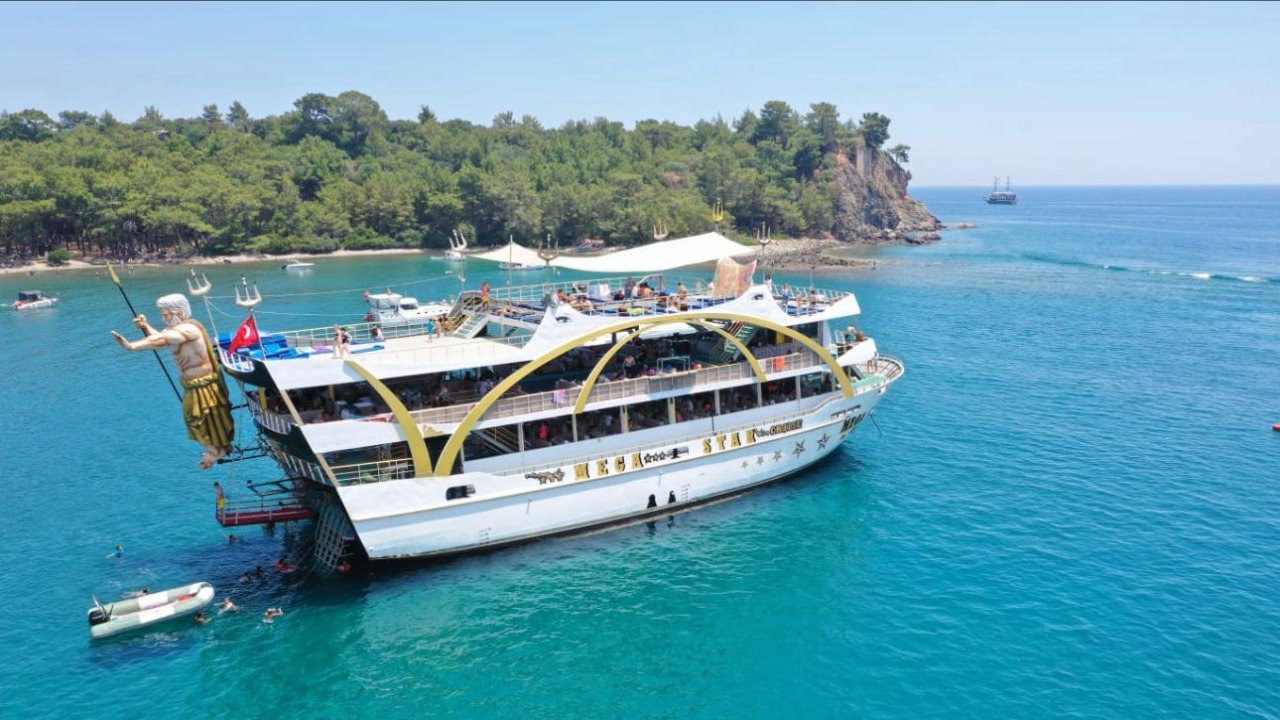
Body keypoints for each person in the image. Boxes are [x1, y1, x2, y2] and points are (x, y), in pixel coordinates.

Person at [111, 293, 235, 469]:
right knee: (203, 418)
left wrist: (132, 346)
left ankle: (216, 450)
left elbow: (162, 339)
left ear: (179, 312)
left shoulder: (189, 329)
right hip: (193, 384)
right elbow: (164, 337)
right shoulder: (178, 330)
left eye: (166, 314)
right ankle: (218, 447)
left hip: (204, 383)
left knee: (197, 417)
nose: (164, 318)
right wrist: (146, 326)